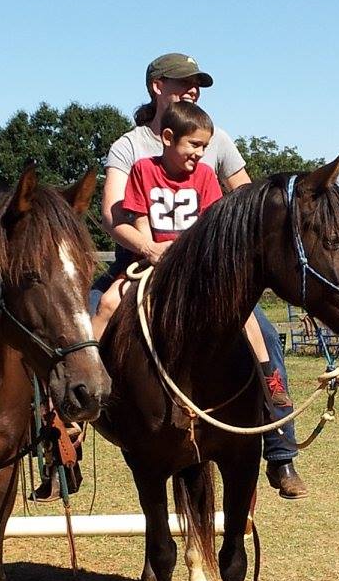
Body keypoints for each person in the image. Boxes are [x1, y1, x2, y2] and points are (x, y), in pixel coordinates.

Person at [96, 53, 307, 499]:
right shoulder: (131, 148)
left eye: (197, 84)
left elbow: (244, 203)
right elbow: (113, 214)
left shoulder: (215, 143)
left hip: (206, 272)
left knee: (262, 334)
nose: (192, 89)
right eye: (183, 82)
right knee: (91, 313)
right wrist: (151, 249)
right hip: (145, 258)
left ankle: (279, 446)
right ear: (157, 87)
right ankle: (75, 418)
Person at [92, 101, 290, 406]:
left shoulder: (206, 176)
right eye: (194, 144)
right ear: (168, 138)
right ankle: (90, 378)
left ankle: (269, 379)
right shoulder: (143, 169)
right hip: (151, 261)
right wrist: (152, 251)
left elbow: (212, 226)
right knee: (107, 303)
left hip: (196, 266)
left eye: (205, 146)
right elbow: (140, 220)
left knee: (245, 312)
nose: (199, 153)